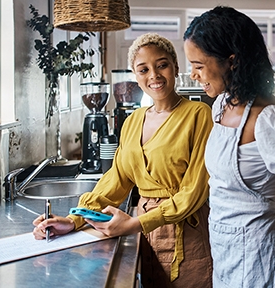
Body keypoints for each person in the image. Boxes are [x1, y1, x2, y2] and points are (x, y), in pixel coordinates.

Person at [32, 33, 214, 288]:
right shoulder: (132, 122)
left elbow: (194, 191)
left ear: (175, 66)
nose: (154, 75)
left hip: (187, 235)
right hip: (145, 237)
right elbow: (115, 181)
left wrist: (135, 223)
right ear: (135, 75)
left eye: (162, 65)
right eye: (143, 69)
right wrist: (74, 219)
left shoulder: (198, 114)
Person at [183, 6, 275, 287]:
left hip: (260, 253)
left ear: (231, 61)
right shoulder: (221, 106)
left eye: (199, 66)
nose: (194, 75)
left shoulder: (268, 119)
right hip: (223, 247)